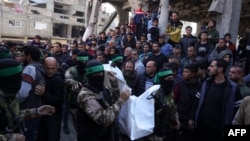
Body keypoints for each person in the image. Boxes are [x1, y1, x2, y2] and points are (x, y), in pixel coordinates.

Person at [0, 58, 55, 141]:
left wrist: (36, 111)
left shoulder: (9, 95)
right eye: (14, 79)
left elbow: (14, 115)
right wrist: (10, 138)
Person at [76, 60, 131, 141]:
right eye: (96, 74)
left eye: (101, 73)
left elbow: (113, 101)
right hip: (92, 137)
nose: (100, 76)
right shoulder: (85, 95)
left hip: (107, 134)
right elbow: (105, 119)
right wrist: (121, 100)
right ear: (89, 76)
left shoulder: (103, 87)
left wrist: (114, 82)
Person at [195, 59, 242, 141]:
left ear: (220, 69)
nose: (208, 68)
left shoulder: (232, 88)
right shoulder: (207, 83)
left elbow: (237, 112)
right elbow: (197, 102)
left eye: (212, 66)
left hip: (218, 131)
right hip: (202, 127)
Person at [16, 46, 46, 141]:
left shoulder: (29, 69)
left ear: (29, 56)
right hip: (36, 110)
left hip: (28, 112)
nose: (21, 58)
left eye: (23, 55)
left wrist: (13, 101)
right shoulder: (40, 67)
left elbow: (22, 94)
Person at [147, 68, 180, 141]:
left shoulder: (170, 91)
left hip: (169, 130)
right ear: (162, 79)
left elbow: (173, 107)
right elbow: (149, 114)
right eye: (169, 79)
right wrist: (162, 110)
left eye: (172, 78)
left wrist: (176, 120)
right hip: (156, 133)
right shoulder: (155, 93)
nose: (171, 81)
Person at [37, 57, 64, 141]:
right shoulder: (44, 76)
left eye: (53, 68)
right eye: (48, 68)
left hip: (53, 117)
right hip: (43, 115)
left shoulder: (58, 80)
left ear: (57, 67)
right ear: (43, 66)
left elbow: (59, 101)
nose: (50, 71)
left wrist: (44, 94)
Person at [173, 64, 201, 141]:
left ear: (193, 74)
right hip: (180, 118)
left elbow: (197, 103)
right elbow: (174, 101)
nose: (184, 73)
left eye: (186, 72)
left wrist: (191, 118)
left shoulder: (199, 86)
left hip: (191, 119)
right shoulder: (179, 85)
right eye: (183, 71)